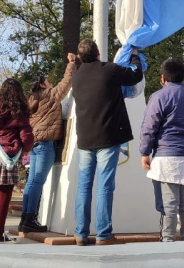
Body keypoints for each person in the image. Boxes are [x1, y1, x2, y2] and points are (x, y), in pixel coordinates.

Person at [71, 39, 143, 246]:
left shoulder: (77, 78)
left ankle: (80, 233)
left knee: (84, 186)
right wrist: (135, 56)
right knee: (104, 185)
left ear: (79, 56)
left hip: (85, 138)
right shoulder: (109, 70)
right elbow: (135, 76)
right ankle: (103, 234)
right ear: (98, 52)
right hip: (108, 136)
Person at [139, 58, 184, 243]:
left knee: (169, 203)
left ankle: (167, 241)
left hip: (167, 157)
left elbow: (149, 127)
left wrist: (145, 152)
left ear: (162, 78)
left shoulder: (159, 97)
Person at [20, 52, 76, 233]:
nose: (51, 83)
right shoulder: (49, 95)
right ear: (43, 84)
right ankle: (30, 219)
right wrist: (72, 63)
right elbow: (66, 83)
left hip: (34, 144)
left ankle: (25, 219)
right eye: (48, 81)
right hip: (45, 143)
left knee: (31, 182)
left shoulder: (31, 100)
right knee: (37, 181)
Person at [0, 78, 34, 243]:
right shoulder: (18, 111)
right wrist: (26, 148)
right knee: (4, 199)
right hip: (7, 158)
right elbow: (26, 136)